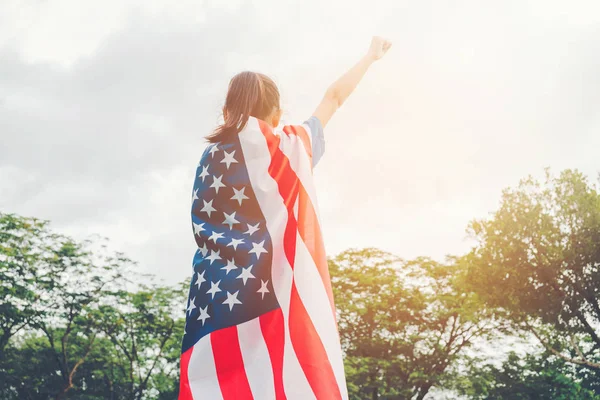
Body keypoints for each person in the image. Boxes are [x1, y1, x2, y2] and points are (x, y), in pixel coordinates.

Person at [179, 37, 392, 400]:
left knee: (217, 384)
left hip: (217, 301)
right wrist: (370, 57)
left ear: (227, 112)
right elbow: (334, 98)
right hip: (276, 295)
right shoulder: (291, 150)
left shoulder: (211, 158)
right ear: (277, 115)